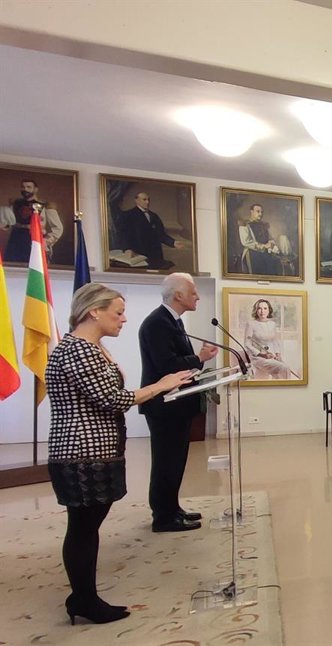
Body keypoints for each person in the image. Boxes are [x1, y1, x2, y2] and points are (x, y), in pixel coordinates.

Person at [47, 284, 193, 625]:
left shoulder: (90, 347)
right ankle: (83, 599)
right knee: (83, 528)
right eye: (118, 312)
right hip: (82, 453)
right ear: (94, 311)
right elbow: (112, 399)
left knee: (87, 526)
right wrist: (160, 385)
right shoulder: (78, 350)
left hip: (94, 450)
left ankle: (83, 595)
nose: (124, 319)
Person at [139, 273, 218, 533]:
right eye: (193, 292)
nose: (197, 296)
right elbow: (168, 366)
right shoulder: (157, 323)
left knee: (175, 461)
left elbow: (179, 361)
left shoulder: (173, 321)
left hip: (177, 405)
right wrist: (199, 358)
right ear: (179, 295)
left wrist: (198, 359)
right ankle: (163, 517)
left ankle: (172, 509)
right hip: (165, 405)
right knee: (165, 462)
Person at [1, 177, 63, 263]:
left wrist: (46, 241)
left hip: (35, 240)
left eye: (28, 187)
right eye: (23, 187)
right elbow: (7, 223)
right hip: (15, 241)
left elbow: (58, 228)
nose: (25, 189)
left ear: (35, 189)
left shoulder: (46, 206)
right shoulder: (15, 204)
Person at [116, 191, 182, 270]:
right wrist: (127, 248)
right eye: (144, 199)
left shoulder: (154, 216)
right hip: (139, 255)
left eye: (148, 200)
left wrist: (173, 242)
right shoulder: (128, 215)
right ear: (136, 200)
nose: (147, 202)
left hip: (155, 256)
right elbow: (123, 234)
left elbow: (161, 234)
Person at [244, 299, 292, 380]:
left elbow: (275, 341)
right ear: (256, 310)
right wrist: (262, 354)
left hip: (271, 355)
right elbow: (247, 344)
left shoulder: (272, 324)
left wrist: (278, 355)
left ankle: (283, 386)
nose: (262, 311)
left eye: (265, 308)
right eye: (259, 308)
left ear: (269, 310)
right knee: (284, 367)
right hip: (258, 358)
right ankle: (286, 386)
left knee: (285, 367)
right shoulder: (251, 324)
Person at [238, 203, 288, 276]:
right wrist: (264, 246)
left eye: (262, 212)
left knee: (276, 264)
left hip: (265, 252)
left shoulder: (263, 225)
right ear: (252, 212)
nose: (260, 214)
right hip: (252, 253)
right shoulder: (244, 224)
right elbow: (246, 242)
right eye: (258, 211)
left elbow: (269, 238)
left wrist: (271, 243)